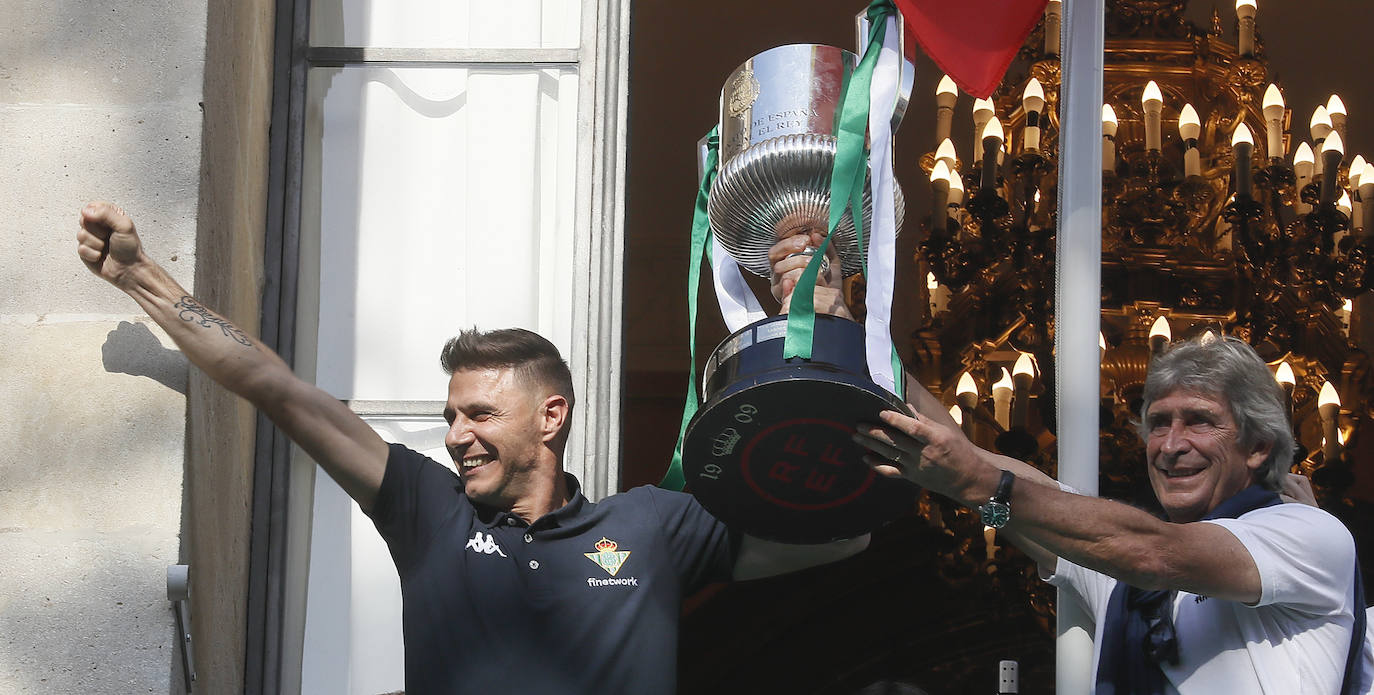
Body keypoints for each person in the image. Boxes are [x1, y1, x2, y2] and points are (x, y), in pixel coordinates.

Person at [75, 201, 868, 693]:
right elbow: (278, 389)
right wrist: (143, 276)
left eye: (480, 414)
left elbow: (837, 527)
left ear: (549, 416)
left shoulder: (654, 526)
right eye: (452, 416)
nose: (456, 436)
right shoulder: (428, 510)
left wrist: (824, 330)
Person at [856, 332, 1365, 694]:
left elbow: (1155, 553)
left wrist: (975, 480)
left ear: (1257, 447)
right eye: (1158, 424)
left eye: (1199, 422)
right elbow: (976, 464)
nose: (1169, 445)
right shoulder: (1125, 579)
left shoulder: (1307, 531)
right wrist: (858, 340)